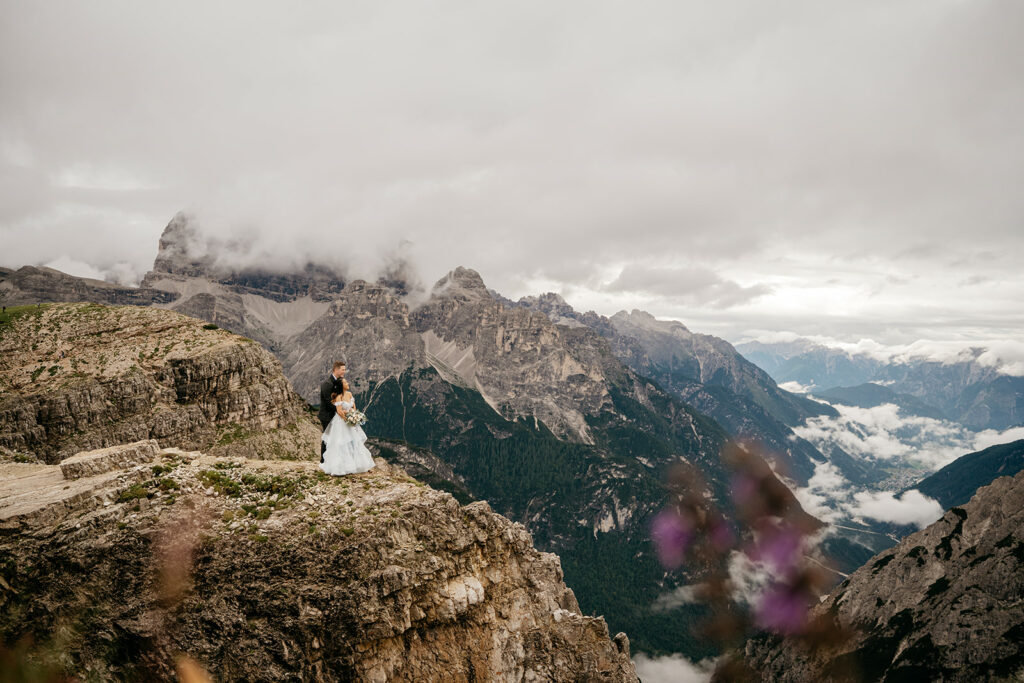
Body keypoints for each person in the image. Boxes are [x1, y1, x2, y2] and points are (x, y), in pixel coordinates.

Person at [320, 378, 375, 476]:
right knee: (341, 443)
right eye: (345, 382)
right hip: (341, 422)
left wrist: (354, 415)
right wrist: (348, 419)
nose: (347, 383)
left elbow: (353, 407)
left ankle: (354, 464)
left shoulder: (349, 394)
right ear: (341, 385)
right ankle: (341, 466)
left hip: (350, 421)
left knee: (353, 441)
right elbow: (339, 411)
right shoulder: (338, 396)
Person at [318, 361, 347, 462]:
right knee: (327, 437)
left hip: (334, 415)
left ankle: (331, 459)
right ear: (337, 370)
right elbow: (328, 401)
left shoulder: (337, 382)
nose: (344, 371)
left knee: (333, 437)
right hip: (326, 415)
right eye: (343, 369)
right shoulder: (327, 383)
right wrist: (340, 410)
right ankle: (323, 460)